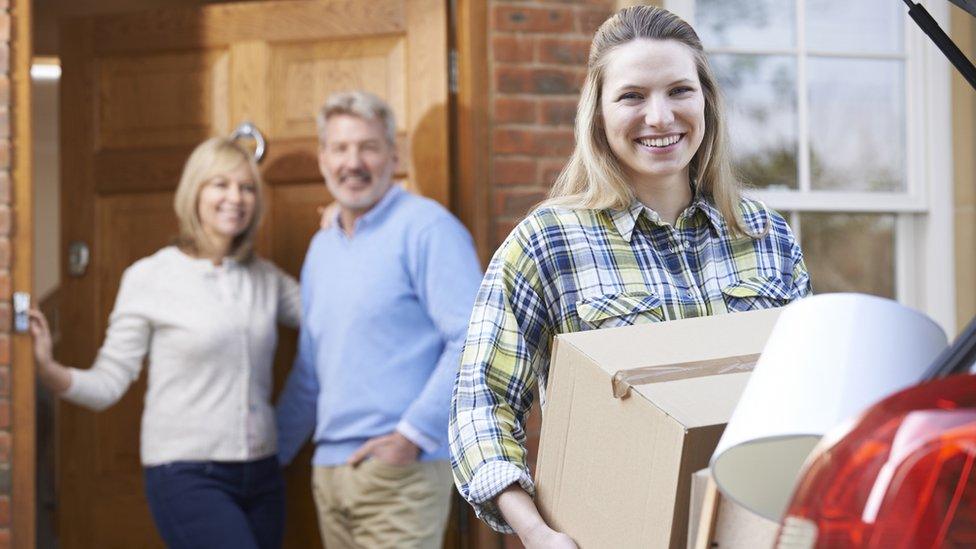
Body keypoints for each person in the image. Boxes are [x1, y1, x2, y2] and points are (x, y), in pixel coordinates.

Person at [449, 5, 812, 548]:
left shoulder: (767, 237)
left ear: (706, 101)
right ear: (597, 113)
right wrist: (536, 532)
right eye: (632, 96)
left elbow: (807, 392)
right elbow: (480, 401)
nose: (661, 117)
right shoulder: (549, 243)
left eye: (679, 91)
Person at [29, 137, 300, 549]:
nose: (235, 198)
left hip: (264, 473)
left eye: (246, 188)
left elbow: (334, 321)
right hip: (187, 474)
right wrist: (50, 370)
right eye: (220, 185)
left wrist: (343, 227)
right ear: (194, 193)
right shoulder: (151, 276)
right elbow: (109, 383)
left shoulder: (266, 278)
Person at [274, 90, 483, 548]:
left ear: (392, 155)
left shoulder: (427, 228)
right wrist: (269, 458)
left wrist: (411, 436)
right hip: (328, 473)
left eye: (368, 147)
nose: (354, 162)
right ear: (323, 158)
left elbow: (473, 339)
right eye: (341, 148)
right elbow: (311, 370)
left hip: (400, 472)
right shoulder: (322, 248)